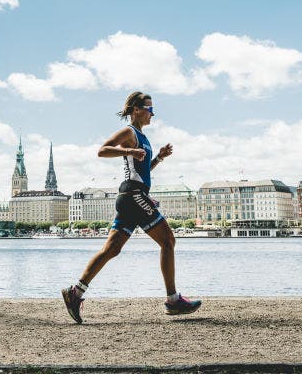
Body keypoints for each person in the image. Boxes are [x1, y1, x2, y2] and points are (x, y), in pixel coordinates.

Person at [61, 91, 201, 323]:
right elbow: (102, 150)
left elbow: (142, 170)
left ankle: (75, 293)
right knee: (168, 241)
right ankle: (173, 300)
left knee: (112, 249)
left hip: (131, 196)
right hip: (134, 196)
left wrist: (158, 158)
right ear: (136, 110)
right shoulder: (129, 132)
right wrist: (129, 150)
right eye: (149, 109)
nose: (152, 114)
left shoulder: (143, 137)